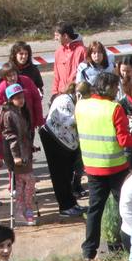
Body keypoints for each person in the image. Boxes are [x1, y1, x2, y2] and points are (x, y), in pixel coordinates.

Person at [77, 72, 132, 260]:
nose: (117, 91)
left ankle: (89, 250)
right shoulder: (114, 108)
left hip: (92, 167)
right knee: (127, 205)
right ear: (108, 88)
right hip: (115, 167)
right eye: (116, 87)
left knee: (95, 209)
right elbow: (123, 139)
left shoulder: (82, 105)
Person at [41, 83, 86, 219]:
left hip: (65, 140)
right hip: (53, 139)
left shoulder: (73, 101)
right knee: (60, 175)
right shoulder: (64, 101)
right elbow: (69, 122)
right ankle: (65, 206)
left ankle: (72, 203)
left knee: (67, 174)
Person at [1, 84, 38, 226]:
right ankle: (24, 210)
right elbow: (11, 137)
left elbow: (24, 134)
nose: (21, 100)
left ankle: (23, 211)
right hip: (16, 156)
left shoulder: (21, 111)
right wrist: (16, 156)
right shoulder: (9, 114)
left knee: (24, 184)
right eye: (17, 98)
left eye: (22, 97)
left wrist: (31, 146)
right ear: (10, 99)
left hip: (25, 153)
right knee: (28, 181)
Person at [53, 22, 88, 95]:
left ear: (65, 36)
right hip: (61, 95)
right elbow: (56, 77)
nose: (55, 38)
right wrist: (54, 94)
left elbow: (88, 75)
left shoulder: (82, 51)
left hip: (77, 94)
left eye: (57, 35)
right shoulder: (58, 53)